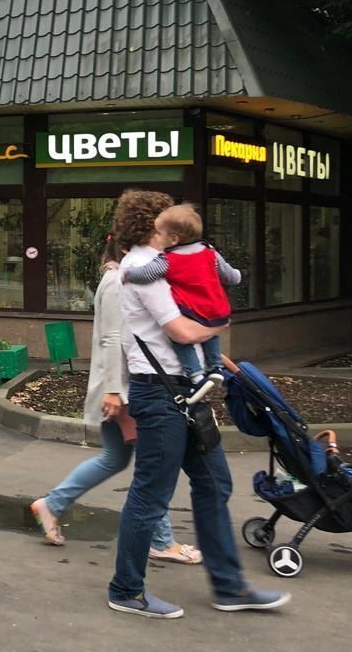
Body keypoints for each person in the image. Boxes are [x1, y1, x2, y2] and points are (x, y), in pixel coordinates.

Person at [108, 189, 288, 619]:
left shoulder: (165, 265)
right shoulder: (142, 270)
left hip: (183, 393)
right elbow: (184, 331)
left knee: (214, 484)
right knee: (151, 494)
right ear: (156, 225)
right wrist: (222, 321)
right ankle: (126, 589)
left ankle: (229, 588)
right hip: (160, 393)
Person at [31, 235, 200, 564]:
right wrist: (117, 396)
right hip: (126, 392)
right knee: (153, 466)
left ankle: (51, 504)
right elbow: (112, 340)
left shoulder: (122, 279)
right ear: (126, 249)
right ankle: (162, 540)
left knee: (117, 459)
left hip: (124, 390)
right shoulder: (116, 282)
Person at [121, 204, 240, 385]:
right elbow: (229, 275)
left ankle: (194, 372)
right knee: (211, 335)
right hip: (215, 305)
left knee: (179, 340)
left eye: (160, 233)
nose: (157, 237)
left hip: (190, 306)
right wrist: (238, 275)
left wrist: (128, 274)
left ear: (174, 238)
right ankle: (215, 366)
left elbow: (147, 274)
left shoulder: (168, 260)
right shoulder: (209, 252)